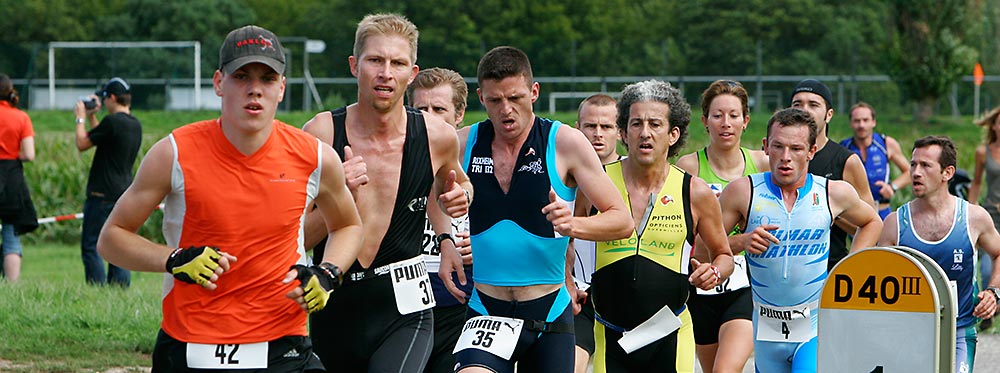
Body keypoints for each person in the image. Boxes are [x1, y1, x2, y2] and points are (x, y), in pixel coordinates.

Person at [97, 25, 364, 371]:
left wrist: (327, 273)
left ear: (281, 88)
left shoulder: (315, 157)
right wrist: (174, 259)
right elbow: (111, 238)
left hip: (283, 344)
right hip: (191, 345)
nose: (255, 90)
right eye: (242, 76)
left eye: (268, 79)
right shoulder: (174, 153)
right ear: (219, 83)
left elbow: (347, 225)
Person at [442, 46, 633, 373]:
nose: (506, 110)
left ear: (534, 92)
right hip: (486, 309)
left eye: (515, 98)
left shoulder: (565, 143)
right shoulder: (462, 143)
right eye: (495, 100)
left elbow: (622, 220)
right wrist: (447, 240)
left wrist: (573, 225)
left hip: (548, 311)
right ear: (480, 98)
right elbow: (434, 193)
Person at [301, 14, 472, 372]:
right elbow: (294, 236)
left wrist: (459, 206)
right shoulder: (321, 134)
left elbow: (454, 186)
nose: (385, 72)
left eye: (397, 63)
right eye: (375, 60)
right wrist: (338, 197)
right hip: (335, 301)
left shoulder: (436, 136)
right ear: (354, 66)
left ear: (412, 73)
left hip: (404, 309)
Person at [580, 80, 734, 373]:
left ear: (673, 134)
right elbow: (566, 239)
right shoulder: (594, 182)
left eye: (655, 124)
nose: (645, 133)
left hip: (670, 334)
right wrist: (567, 279)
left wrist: (713, 272)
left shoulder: (694, 192)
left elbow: (724, 255)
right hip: (609, 333)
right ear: (624, 132)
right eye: (636, 123)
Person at [718, 108, 881, 373]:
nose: (785, 158)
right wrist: (741, 242)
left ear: (811, 152)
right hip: (766, 330)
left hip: (814, 326)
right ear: (765, 148)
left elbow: (873, 221)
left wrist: (846, 271)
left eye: (796, 149)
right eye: (778, 146)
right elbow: (703, 249)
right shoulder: (742, 191)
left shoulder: (832, 192)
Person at [878, 135, 1000, 373]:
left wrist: (994, 292)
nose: (915, 172)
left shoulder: (974, 218)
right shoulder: (895, 224)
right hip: (909, 335)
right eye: (913, 164)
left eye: (925, 165)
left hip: (960, 332)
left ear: (947, 172)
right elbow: (880, 282)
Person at [676, 79, 766, 373]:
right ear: (705, 121)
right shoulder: (687, 168)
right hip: (700, 286)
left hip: (747, 287)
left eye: (733, 115)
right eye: (717, 115)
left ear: (746, 121)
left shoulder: (763, 164)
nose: (725, 123)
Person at [406, 66, 475, 373]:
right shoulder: (391, 158)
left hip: (462, 304)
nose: (430, 116)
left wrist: (484, 245)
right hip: (403, 305)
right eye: (421, 109)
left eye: (439, 109)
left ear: (459, 114)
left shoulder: (484, 160)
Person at [789, 79, 875, 270]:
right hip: (779, 271)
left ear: (828, 115)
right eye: (797, 104)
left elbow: (870, 224)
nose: (804, 110)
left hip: (829, 270)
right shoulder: (774, 157)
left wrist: (830, 213)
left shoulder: (845, 161)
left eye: (813, 105)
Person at [570, 93, 621, 373]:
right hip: (579, 293)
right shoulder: (562, 173)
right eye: (590, 126)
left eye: (606, 127)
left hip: (623, 295)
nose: (597, 134)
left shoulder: (634, 176)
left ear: (620, 131)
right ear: (578, 129)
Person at [73, 77, 142, 287]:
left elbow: (82, 143)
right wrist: (95, 117)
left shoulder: (112, 122)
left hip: (101, 194)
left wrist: (81, 118)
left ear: (112, 98)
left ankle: (97, 289)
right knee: (119, 246)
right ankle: (119, 291)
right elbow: (102, 136)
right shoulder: (134, 124)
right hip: (124, 194)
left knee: (91, 246)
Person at [838, 102, 911, 220]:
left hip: (882, 210)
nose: (861, 125)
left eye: (865, 120)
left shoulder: (886, 143)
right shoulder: (844, 147)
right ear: (851, 123)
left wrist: (892, 187)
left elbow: (909, 172)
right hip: (857, 213)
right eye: (857, 121)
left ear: (873, 122)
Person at [0, 74, 38, 283]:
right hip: (12, 179)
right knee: (11, 236)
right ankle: (12, 287)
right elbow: (29, 154)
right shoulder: (21, 117)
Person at [969, 106, 1000, 331]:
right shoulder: (983, 151)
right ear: (994, 125)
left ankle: (993, 307)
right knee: (988, 268)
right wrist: (970, 208)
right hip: (991, 214)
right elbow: (977, 182)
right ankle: (990, 306)